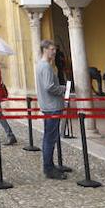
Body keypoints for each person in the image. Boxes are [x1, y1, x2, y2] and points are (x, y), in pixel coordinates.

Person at [35, 39, 66, 180]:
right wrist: (63, 89)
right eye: (52, 49)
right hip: (52, 106)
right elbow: (49, 86)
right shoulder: (46, 66)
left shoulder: (41, 65)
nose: (54, 52)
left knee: (49, 136)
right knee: (50, 138)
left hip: (48, 105)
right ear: (45, 49)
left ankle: (50, 165)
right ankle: (48, 167)